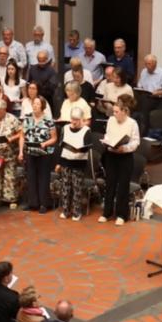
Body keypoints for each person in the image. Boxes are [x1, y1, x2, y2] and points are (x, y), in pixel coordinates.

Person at [54, 82, 94, 220]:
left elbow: (87, 147)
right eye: (72, 119)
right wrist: (59, 162)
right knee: (65, 187)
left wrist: (79, 150)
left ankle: (76, 212)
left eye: (77, 120)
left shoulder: (86, 130)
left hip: (78, 162)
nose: (74, 122)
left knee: (77, 188)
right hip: (66, 160)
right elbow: (62, 146)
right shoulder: (65, 128)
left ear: (81, 119)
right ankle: (65, 210)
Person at [99, 99, 141, 225]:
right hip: (111, 155)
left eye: (117, 112)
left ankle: (122, 215)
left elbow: (136, 142)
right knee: (110, 184)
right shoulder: (111, 120)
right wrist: (107, 141)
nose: (114, 114)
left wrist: (125, 148)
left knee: (123, 185)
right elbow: (107, 135)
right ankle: (107, 213)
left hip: (125, 157)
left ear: (124, 111)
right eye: (114, 112)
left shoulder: (132, 123)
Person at [20, 89, 58, 213]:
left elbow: (54, 138)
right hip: (30, 152)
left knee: (43, 178)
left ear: (42, 106)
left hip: (44, 153)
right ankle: (32, 203)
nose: (35, 106)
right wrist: (21, 151)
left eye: (37, 104)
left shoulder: (48, 120)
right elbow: (22, 136)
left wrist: (45, 143)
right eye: (34, 104)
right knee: (30, 177)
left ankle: (43, 204)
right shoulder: (27, 118)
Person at [134, 53, 162, 139]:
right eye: (146, 63)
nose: (147, 66)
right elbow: (140, 84)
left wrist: (159, 93)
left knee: (159, 121)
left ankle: (160, 138)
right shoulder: (144, 71)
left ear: (155, 63)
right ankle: (144, 138)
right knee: (144, 120)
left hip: (160, 100)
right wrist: (140, 88)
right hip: (147, 98)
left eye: (149, 64)